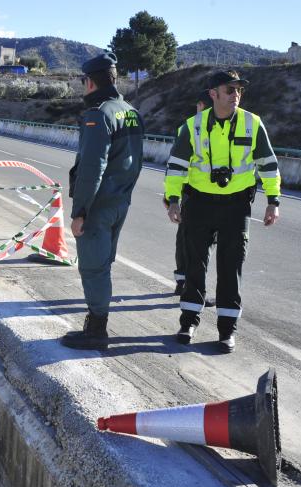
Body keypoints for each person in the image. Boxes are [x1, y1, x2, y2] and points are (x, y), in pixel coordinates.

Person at [164, 70, 281, 353]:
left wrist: (273, 201)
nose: (236, 95)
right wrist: (173, 200)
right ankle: (188, 322)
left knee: (231, 268)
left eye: (239, 90)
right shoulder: (192, 126)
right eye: (230, 90)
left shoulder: (252, 123)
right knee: (195, 265)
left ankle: (227, 331)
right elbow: (177, 167)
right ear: (213, 94)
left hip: (236, 206)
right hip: (200, 204)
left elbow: (267, 163)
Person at [61, 52, 145, 350]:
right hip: (120, 202)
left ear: (90, 82)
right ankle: (95, 324)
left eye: (84, 81)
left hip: (99, 204)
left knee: (93, 267)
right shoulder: (130, 111)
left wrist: (80, 211)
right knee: (103, 264)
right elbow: (137, 162)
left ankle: (97, 330)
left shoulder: (99, 114)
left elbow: (91, 167)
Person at [168, 90, 216, 306]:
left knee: (185, 238)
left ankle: (183, 281)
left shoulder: (186, 127)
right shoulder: (202, 127)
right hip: (199, 194)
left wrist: (173, 197)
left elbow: (173, 166)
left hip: (187, 192)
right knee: (200, 243)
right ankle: (193, 287)